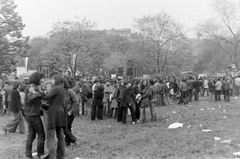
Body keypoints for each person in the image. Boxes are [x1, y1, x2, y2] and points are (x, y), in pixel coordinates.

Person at [41, 74, 66, 159]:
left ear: (56, 80)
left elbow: (45, 97)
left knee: (51, 136)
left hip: (54, 114)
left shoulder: (55, 88)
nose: (51, 81)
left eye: (52, 79)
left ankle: (52, 157)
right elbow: (56, 102)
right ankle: (61, 155)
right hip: (60, 113)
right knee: (60, 135)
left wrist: (38, 91)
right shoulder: (62, 88)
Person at [24, 72, 45, 159]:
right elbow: (30, 99)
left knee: (31, 135)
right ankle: (40, 155)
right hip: (33, 115)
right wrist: (40, 93)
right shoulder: (31, 87)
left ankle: (28, 154)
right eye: (41, 78)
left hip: (30, 114)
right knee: (41, 135)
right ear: (37, 79)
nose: (42, 80)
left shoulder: (33, 87)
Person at [62, 78, 78, 146]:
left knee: (65, 128)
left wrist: (70, 111)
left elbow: (76, 103)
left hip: (69, 113)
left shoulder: (70, 91)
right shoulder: (60, 92)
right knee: (67, 128)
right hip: (62, 113)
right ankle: (68, 142)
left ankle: (72, 139)